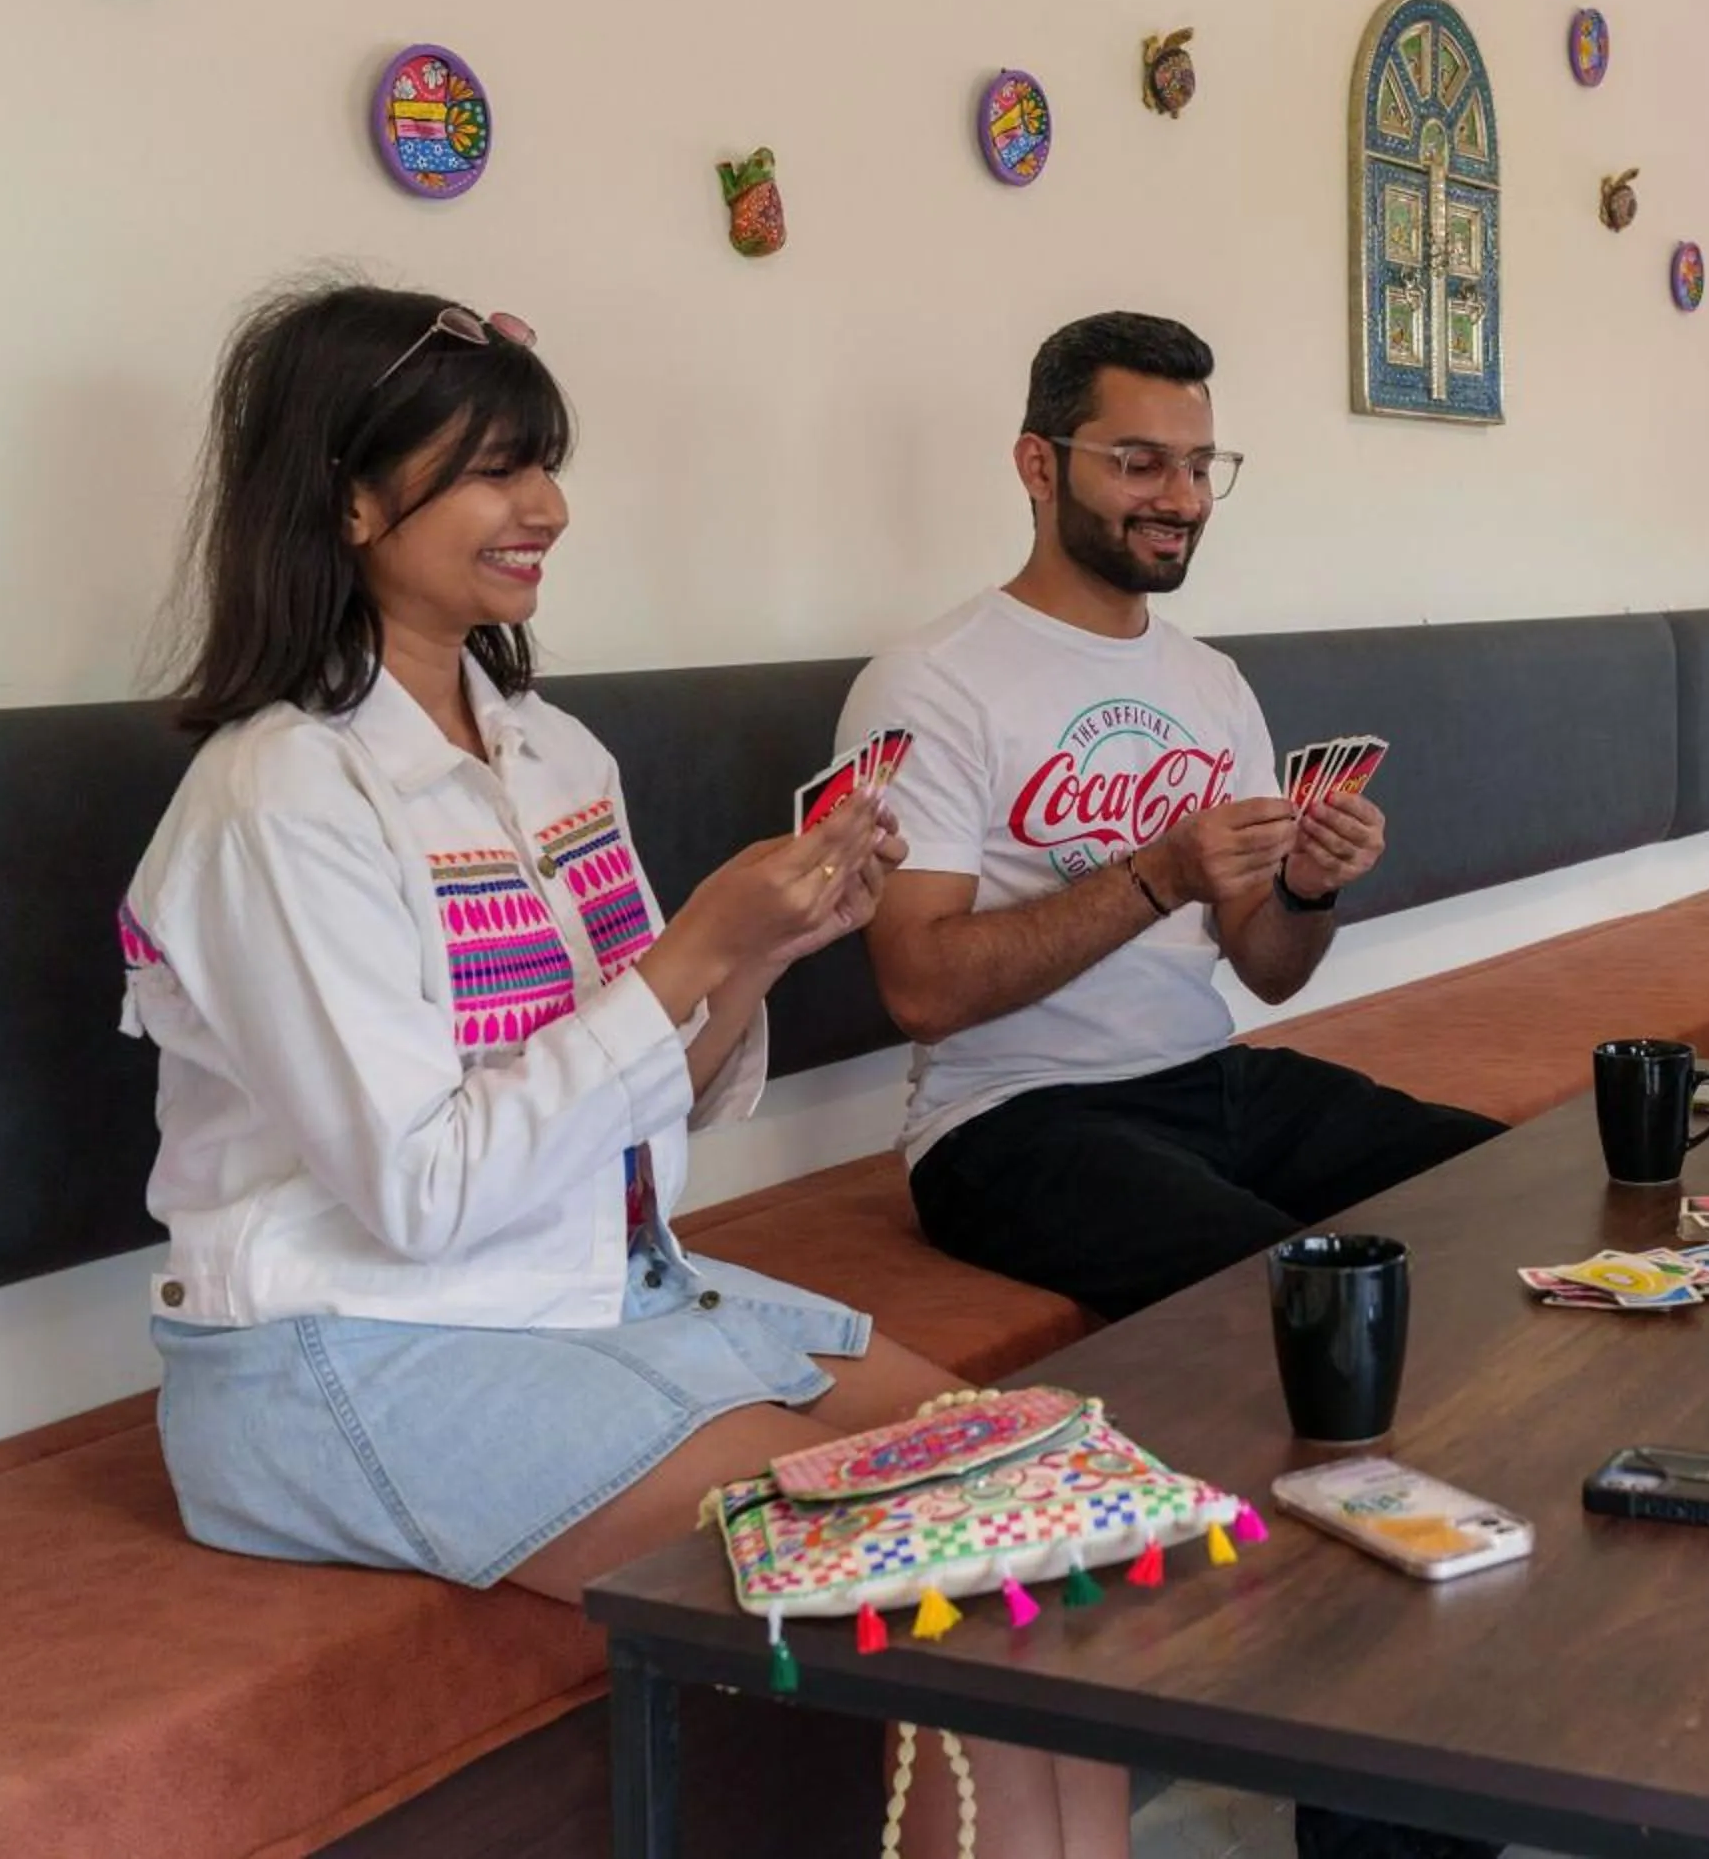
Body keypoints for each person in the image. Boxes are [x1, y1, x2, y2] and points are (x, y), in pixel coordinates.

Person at [120, 283, 1123, 1859]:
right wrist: (686, 953)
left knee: (1052, 1499)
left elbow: (684, 1081)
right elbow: (424, 1190)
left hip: (596, 1282)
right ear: (350, 493)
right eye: (497, 470)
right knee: (952, 1562)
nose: (549, 508)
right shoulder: (274, 800)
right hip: (351, 1347)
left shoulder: (551, 751)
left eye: (548, 463)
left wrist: (768, 946)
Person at [845, 311, 1500, 1324]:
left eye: (1201, 466)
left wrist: (1306, 886)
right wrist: (1158, 875)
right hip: (1008, 1123)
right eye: (1141, 463)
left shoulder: (1213, 682)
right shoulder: (932, 682)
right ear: (1038, 465)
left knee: (1507, 1185)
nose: (1183, 499)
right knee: (1289, 1295)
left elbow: (1270, 969)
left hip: (1209, 1080)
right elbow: (921, 991)